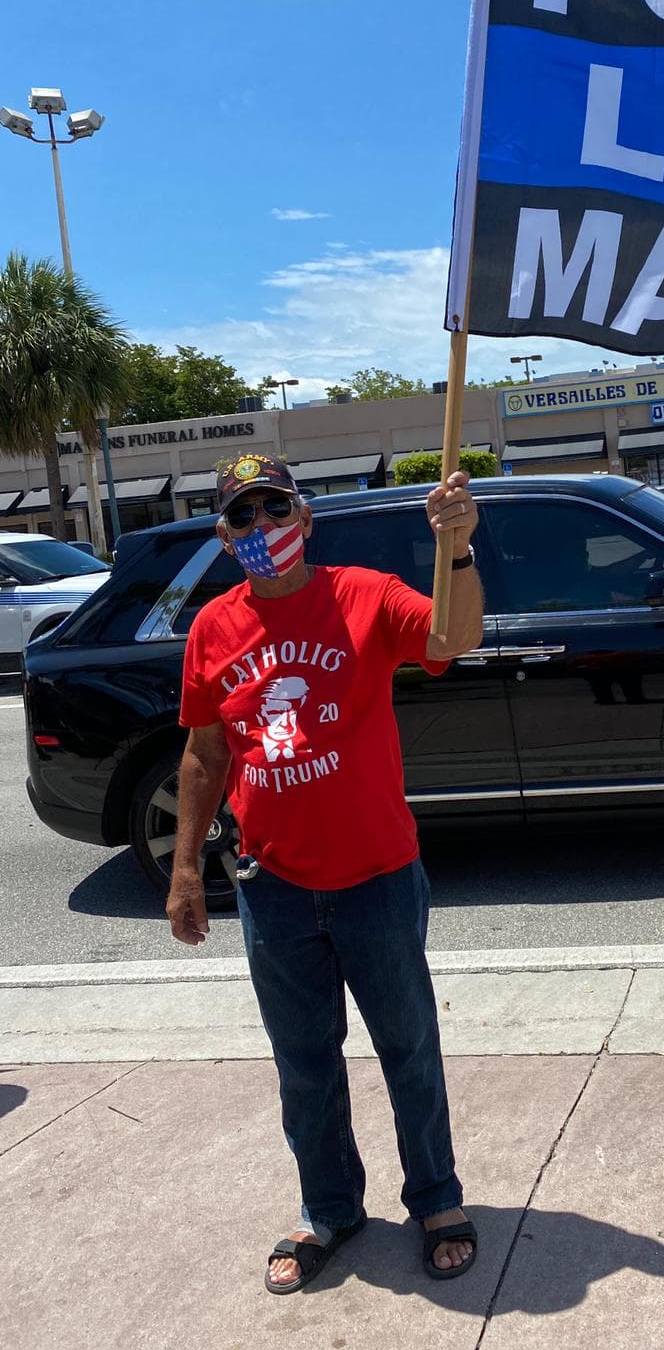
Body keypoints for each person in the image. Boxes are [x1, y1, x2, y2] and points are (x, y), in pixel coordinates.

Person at [165, 452, 484, 1292]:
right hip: (272, 886)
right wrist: (186, 870)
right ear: (223, 534)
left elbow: (455, 637)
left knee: (408, 1046)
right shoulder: (212, 630)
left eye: (277, 511)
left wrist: (456, 548)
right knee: (304, 1064)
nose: (263, 529)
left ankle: (437, 1199)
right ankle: (329, 1209)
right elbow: (203, 753)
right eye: (244, 517)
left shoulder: (365, 595)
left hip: (376, 875)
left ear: (306, 521)